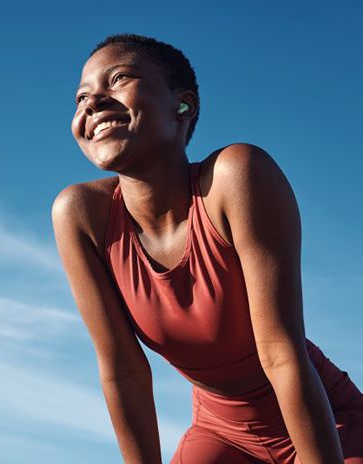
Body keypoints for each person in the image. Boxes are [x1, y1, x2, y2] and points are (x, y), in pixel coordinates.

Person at [51, 33, 363, 464]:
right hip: (222, 435)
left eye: (118, 78)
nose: (92, 103)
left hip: (330, 424)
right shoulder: (81, 214)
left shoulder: (236, 177)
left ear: (184, 105)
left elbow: (280, 353)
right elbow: (124, 370)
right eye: (81, 97)